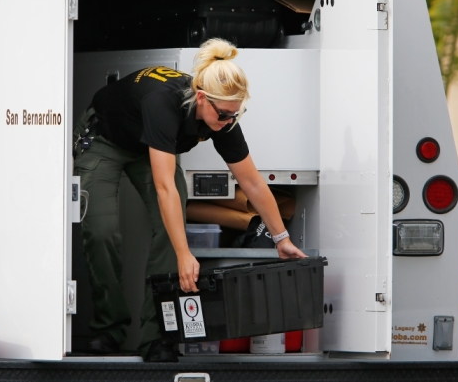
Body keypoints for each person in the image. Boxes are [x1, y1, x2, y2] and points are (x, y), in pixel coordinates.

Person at [73, 38, 306, 362]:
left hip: (153, 145)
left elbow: (251, 181)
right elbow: (165, 185)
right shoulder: (163, 103)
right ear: (201, 98)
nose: (229, 122)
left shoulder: (223, 117)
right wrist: (185, 256)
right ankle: (108, 328)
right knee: (101, 230)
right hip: (105, 139)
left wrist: (281, 239)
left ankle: (156, 338)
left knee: (171, 232)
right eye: (224, 114)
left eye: (236, 114)